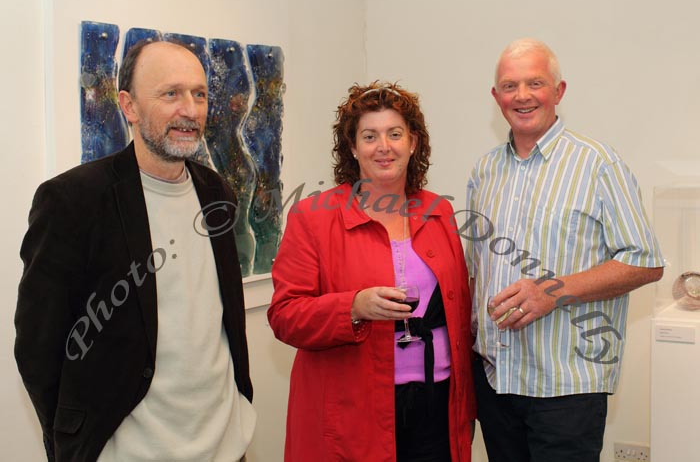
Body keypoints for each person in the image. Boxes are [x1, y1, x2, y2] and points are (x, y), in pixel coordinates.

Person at [15, 40, 255, 462]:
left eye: (199, 94)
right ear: (129, 106)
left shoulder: (218, 192)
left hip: (226, 445)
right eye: (171, 93)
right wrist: (72, 441)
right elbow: (40, 347)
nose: (191, 109)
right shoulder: (73, 200)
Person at [466, 38, 664, 462]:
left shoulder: (598, 164)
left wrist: (551, 291)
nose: (522, 96)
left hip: (566, 388)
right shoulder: (484, 170)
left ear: (558, 91)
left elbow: (645, 262)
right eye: (509, 85)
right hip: (495, 381)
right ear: (495, 96)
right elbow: (475, 269)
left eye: (534, 83)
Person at [268, 81, 476, 462]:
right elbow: (284, 316)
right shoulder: (313, 218)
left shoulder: (440, 212)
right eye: (370, 136)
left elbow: (459, 307)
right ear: (352, 147)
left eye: (395, 134)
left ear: (413, 143)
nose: (384, 146)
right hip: (355, 411)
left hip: (438, 404)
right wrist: (354, 307)